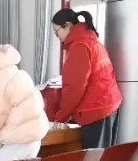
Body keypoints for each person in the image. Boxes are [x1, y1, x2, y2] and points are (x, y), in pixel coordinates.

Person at [51, 9, 123, 149]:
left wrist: (61, 116)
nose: (56, 36)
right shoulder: (94, 43)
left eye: (56, 31)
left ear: (68, 26)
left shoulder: (79, 47)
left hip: (96, 110)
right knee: (106, 156)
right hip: (110, 105)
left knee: (93, 160)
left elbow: (74, 88)